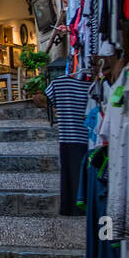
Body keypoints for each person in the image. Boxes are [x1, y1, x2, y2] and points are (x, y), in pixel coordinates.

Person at [45, 57, 93, 216]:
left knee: (71, 172)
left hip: (69, 136)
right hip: (87, 137)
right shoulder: (94, 87)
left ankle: (71, 207)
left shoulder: (58, 84)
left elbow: (48, 98)